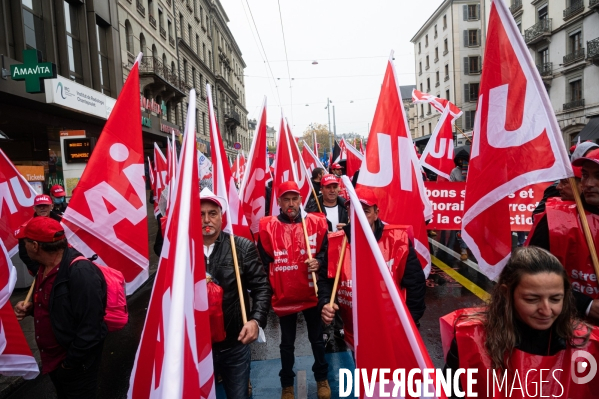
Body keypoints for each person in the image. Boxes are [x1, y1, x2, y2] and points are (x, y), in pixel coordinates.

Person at [443, 246, 599, 397]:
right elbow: (450, 392)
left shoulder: (587, 344)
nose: (546, 310)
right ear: (506, 293)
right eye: (532, 299)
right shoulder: (472, 338)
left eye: (555, 299)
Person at [319, 187, 426, 348]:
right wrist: (325, 302)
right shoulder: (336, 243)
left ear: (376, 213)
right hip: (355, 333)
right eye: (354, 211)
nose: (360, 217)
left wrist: (410, 321)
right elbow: (325, 281)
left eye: (366, 211)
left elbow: (415, 285)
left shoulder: (398, 240)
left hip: (392, 331)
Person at [14, 217, 107, 398]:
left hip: (75, 365)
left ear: (35, 246)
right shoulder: (44, 267)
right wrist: (32, 309)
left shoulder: (80, 272)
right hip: (55, 361)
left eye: (24, 242)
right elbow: (58, 308)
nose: (23, 248)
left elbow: (91, 327)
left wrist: (69, 364)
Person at [257, 181, 331, 399]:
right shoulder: (267, 227)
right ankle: (286, 384)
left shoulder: (316, 223)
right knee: (286, 343)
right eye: (286, 199)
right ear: (278, 202)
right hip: (285, 296)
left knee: (317, 339)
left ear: (300, 200)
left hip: (311, 292)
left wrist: (318, 261)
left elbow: (328, 252)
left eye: (295, 199)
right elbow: (265, 259)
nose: (291, 204)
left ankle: (322, 379)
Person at [201, 188, 272, 399]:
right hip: (197, 347)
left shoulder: (241, 247)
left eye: (212, 213)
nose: (207, 219)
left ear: (221, 216)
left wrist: (255, 321)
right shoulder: (182, 250)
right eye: (200, 214)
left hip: (235, 344)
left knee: (238, 395)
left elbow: (261, 287)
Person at [528, 148, 599, 323]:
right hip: (568, 330)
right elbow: (529, 275)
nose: (588, 183)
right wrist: (586, 304)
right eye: (585, 175)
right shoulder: (555, 220)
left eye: (598, 176)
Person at [18, 194, 63, 275]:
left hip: (63, 266)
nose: (42, 208)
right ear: (34, 208)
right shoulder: (26, 227)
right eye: (39, 206)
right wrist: (37, 270)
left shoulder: (63, 222)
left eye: (45, 205)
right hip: (41, 270)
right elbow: (24, 252)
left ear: (51, 206)